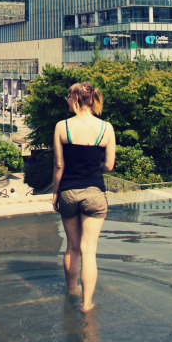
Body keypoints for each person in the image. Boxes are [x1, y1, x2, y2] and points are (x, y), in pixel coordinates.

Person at [53, 82, 116, 310]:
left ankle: (71, 291)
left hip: (68, 192)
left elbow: (59, 165)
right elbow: (109, 165)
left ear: (77, 99)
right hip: (95, 194)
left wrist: (55, 193)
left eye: (68, 97)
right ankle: (87, 304)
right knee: (90, 252)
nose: (67, 101)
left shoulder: (62, 126)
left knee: (72, 247)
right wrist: (94, 168)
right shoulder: (106, 128)